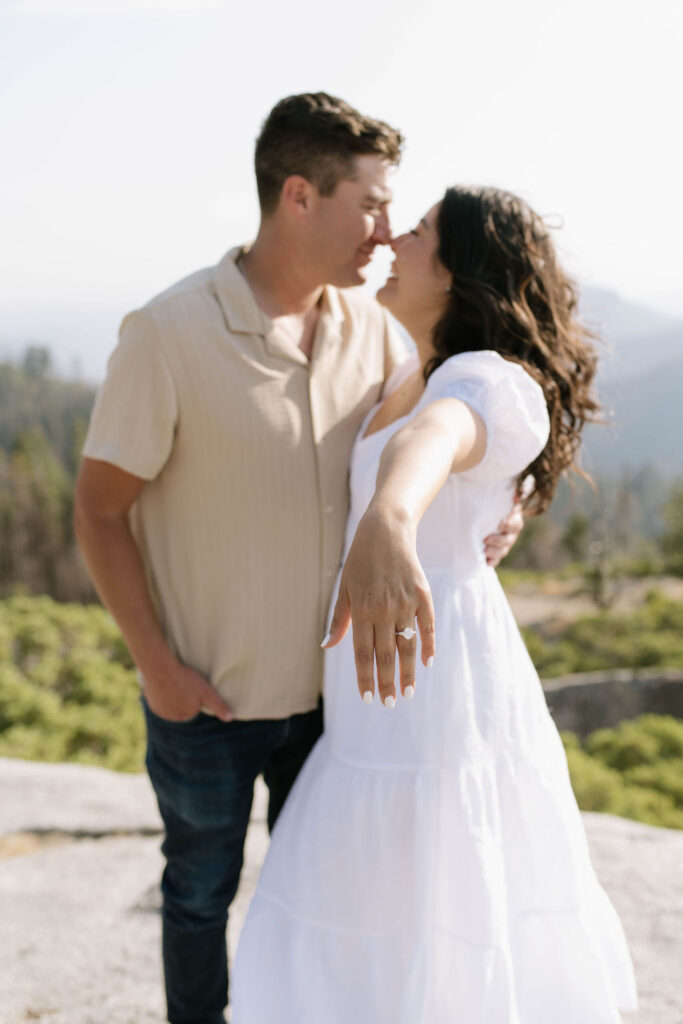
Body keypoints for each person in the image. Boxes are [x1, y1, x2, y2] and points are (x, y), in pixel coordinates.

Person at [73, 95, 520, 1024]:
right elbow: (99, 509)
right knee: (198, 896)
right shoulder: (167, 333)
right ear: (298, 197)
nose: (387, 230)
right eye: (371, 203)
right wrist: (158, 667)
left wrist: (505, 504)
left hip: (337, 712)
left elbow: (459, 422)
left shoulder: (377, 332)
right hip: (209, 698)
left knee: (328, 908)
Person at [231, 187, 638, 1023]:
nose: (391, 241)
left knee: (440, 913)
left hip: (436, 688)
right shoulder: (407, 364)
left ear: (458, 272)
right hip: (370, 703)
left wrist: (392, 512)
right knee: (374, 911)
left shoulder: (487, 380)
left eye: (414, 234)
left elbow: (438, 438)